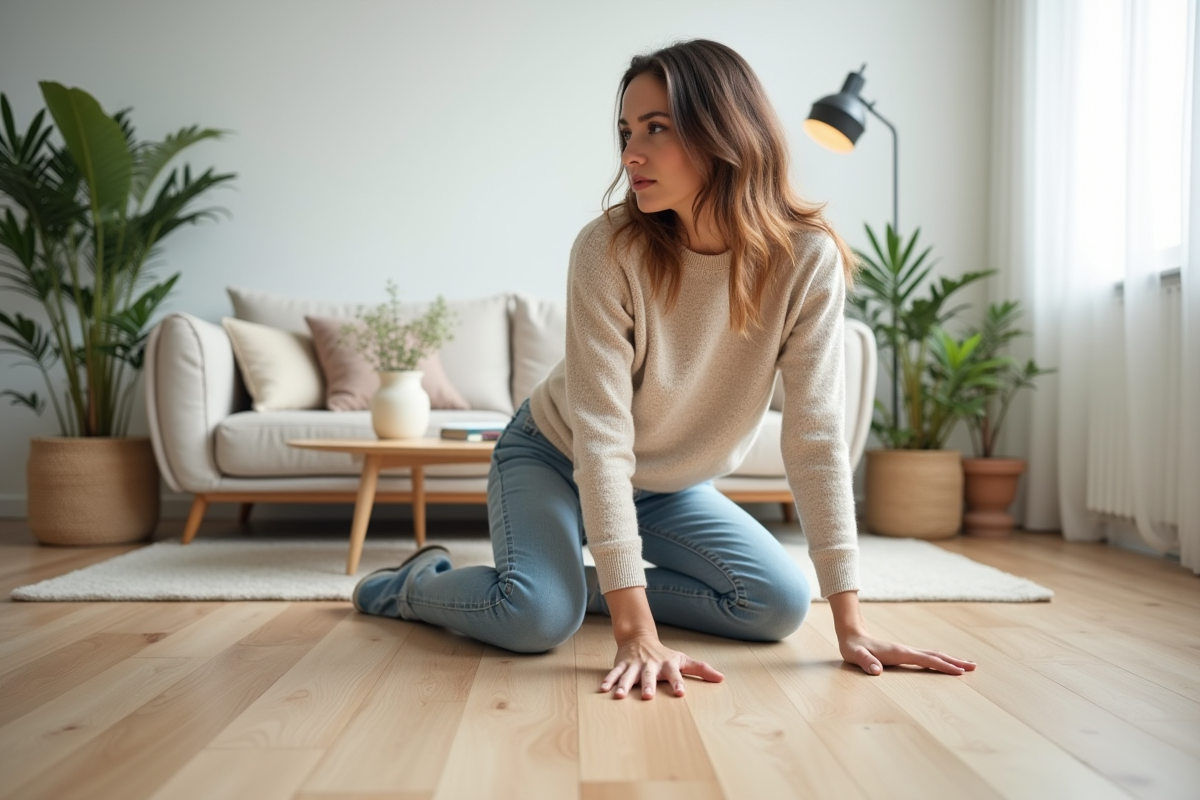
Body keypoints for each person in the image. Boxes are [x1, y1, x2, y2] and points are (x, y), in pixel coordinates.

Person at [353, 39, 977, 699]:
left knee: (776, 605)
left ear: (725, 131)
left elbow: (815, 436)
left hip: (666, 483)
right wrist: (635, 632)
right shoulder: (607, 249)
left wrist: (852, 626)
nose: (630, 153)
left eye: (656, 128)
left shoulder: (807, 258)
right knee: (535, 620)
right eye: (627, 131)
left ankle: (574, 588)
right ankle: (414, 584)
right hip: (553, 454)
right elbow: (600, 438)